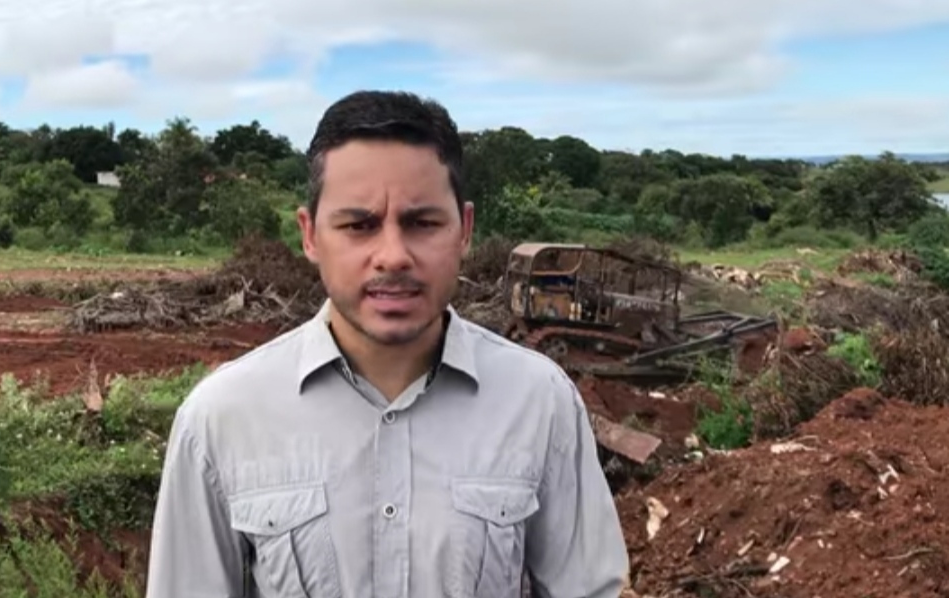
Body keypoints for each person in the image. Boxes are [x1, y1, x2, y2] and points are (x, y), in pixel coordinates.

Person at [145, 90, 629, 598]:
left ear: (464, 230)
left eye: (422, 223)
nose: (393, 256)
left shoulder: (539, 402)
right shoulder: (222, 418)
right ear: (310, 235)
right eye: (359, 225)